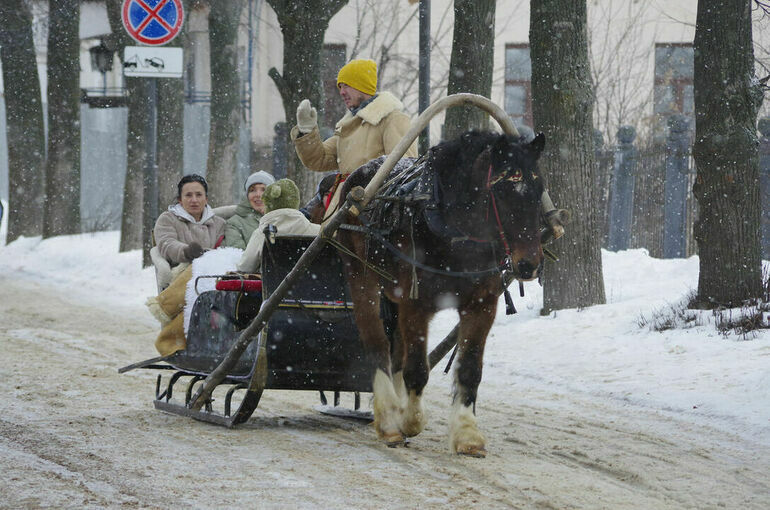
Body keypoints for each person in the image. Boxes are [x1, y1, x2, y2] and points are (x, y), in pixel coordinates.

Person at [291, 58, 418, 223]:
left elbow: (403, 168)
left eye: (346, 85)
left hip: (372, 215)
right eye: (340, 87)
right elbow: (319, 159)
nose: (341, 92)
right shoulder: (347, 126)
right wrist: (306, 131)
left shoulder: (392, 119)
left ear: (362, 87)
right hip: (343, 211)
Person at [147, 174, 226, 356]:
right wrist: (187, 252)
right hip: (180, 270)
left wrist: (210, 259)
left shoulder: (219, 223)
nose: (194, 200)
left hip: (212, 273)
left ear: (206, 198)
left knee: (203, 291)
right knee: (196, 290)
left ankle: (187, 342)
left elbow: (224, 247)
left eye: (199, 195)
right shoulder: (168, 219)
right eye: (188, 195)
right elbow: (166, 244)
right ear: (180, 199)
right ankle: (169, 338)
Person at [238, 178, 320, 274]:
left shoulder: (261, 233)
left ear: (268, 204)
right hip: (315, 286)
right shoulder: (318, 231)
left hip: (274, 288)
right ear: (295, 201)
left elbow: (245, 267)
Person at [225, 170, 275, 249]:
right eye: (252, 190)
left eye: (264, 189)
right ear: (247, 196)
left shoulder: (283, 218)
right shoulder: (235, 223)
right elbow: (239, 256)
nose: (258, 194)